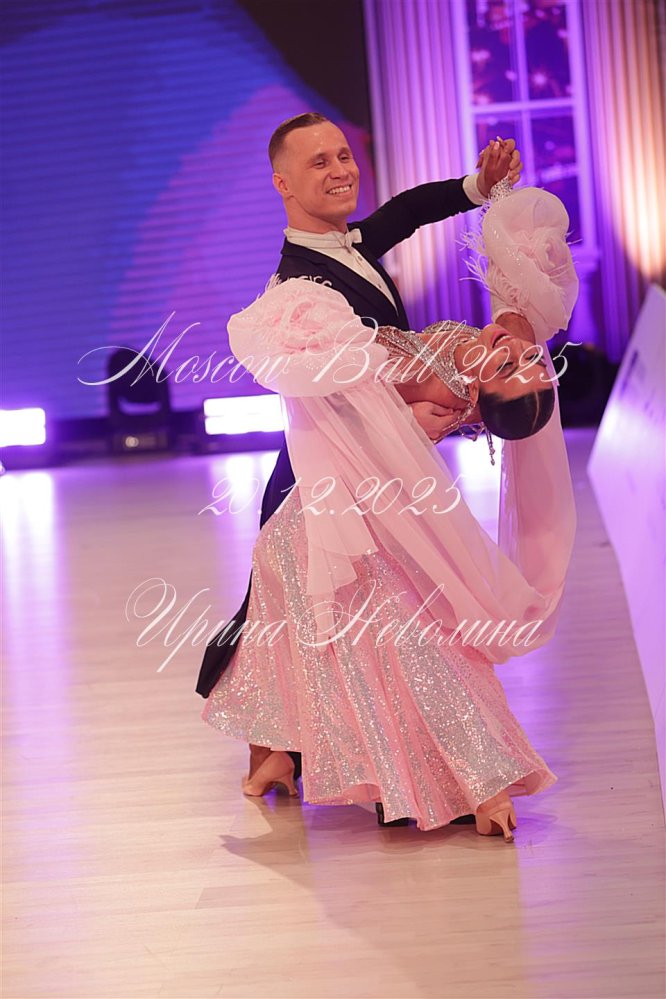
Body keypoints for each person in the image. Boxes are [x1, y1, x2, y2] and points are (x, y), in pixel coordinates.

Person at [200, 178, 578, 838]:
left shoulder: (439, 386)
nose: (512, 350)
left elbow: (351, 382)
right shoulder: (499, 345)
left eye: (509, 366)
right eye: (527, 359)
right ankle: (280, 758)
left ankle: (472, 778)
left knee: (398, 640)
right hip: (324, 504)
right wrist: (498, 207)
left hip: (339, 509)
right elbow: (510, 307)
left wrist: (304, 330)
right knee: (301, 627)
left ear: (481, 394)